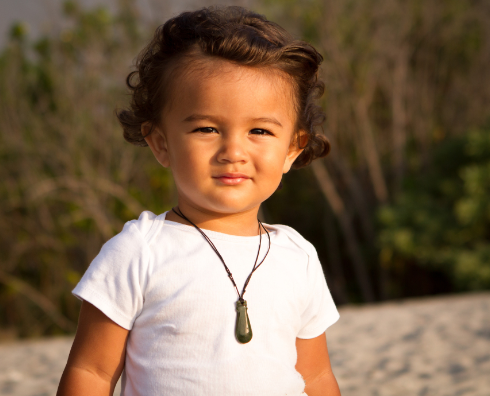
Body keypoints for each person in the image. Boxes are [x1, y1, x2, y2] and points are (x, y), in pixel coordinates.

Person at [57, 6, 340, 396]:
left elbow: (317, 376)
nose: (233, 151)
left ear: (293, 148)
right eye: (207, 128)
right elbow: (91, 372)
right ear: (161, 142)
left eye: (259, 130)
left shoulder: (298, 255)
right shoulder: (139, 252)